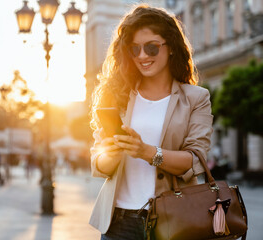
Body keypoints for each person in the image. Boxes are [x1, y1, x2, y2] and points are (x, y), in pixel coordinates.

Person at [89, 4, 213, 240]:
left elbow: (194, 161)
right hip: (118, 223)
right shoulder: (117, 97)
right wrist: (113, 154)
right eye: (134, 49)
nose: (142, 56)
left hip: (173, 221)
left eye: (151, 48)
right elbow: (98, 162)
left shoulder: (196, 98)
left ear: (172, 48)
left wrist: (146, 151)